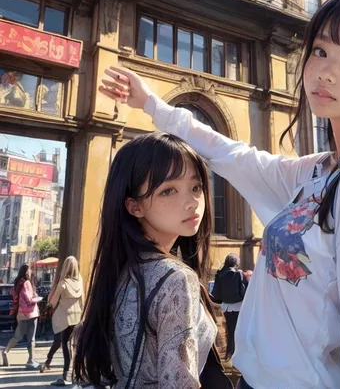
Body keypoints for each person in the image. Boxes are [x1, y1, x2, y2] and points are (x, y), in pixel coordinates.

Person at [99, 0, 340, 388]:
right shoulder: (316, 172)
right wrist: (152, 104)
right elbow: (230, 153)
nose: (326, 71)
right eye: (321, 51)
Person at [73, 133, 232, 389]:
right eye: (168, 190)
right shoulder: (176, 278)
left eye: (196, 187)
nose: (192, 202)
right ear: (134, 206)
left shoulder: (122, 271)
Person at [40, 256, 83, 386]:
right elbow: (83, 298)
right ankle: (76, 373)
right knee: (75, 346)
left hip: (65, 317)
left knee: (65, 346)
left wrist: (47, 307)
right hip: (77, 316)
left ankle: (66, 375)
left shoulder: (63, 283)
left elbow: (53, 302)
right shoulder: (80, 280)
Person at [2, 264, 43, 368]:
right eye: (29, 270)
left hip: (21, 314)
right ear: (26, 271)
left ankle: (5, 351)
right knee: (31, 338)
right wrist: (38, 299)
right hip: (31, 313)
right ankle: (30, 361)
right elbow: (28, 300)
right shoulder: (26, 283)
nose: (31, 272)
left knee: (17, 336)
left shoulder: (17, 283)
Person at [211, 253, 248, 361]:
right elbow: (244, 289)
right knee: (237, 330)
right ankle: (234, 353)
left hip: (226, 306)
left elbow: (216, 292)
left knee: (230, 329)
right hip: (238, 306)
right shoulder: (238, 273)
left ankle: (229, 353)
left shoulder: (220, 273)